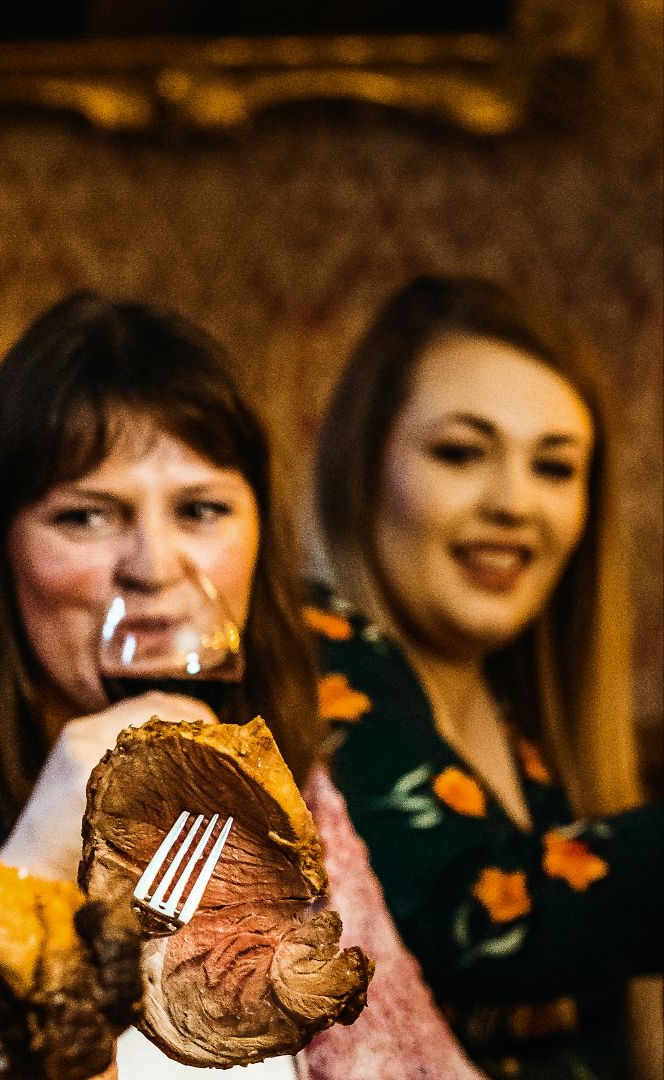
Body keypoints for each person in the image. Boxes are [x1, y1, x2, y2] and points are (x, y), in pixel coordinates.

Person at [0, 292, 484, 1079]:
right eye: (86, 517)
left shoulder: (274, 791)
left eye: (202, 509)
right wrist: (35, 867)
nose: (152, 566)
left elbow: (406, 1065)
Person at [308, 276, 663, 1080]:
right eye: (461, 453)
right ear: (363, 467)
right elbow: (458, 911)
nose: (514, 502)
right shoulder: (312, 652)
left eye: (555, 467)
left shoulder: (533, 725)